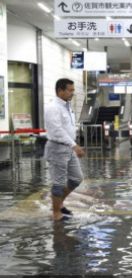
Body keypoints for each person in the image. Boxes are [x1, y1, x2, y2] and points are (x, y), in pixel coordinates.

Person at [44, 78, 85, 221]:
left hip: (68, 146)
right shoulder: (53, 107)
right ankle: (56, 213)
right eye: (70, 90)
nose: (72, 93)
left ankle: (59, 203)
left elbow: (67, 128)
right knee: (59, 182)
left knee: (76, 179)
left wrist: (73, 144)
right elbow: (56, 131)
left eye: (73, 90)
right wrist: (74, 145)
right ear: (60, 90)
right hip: (57, 147)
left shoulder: (67, 106)